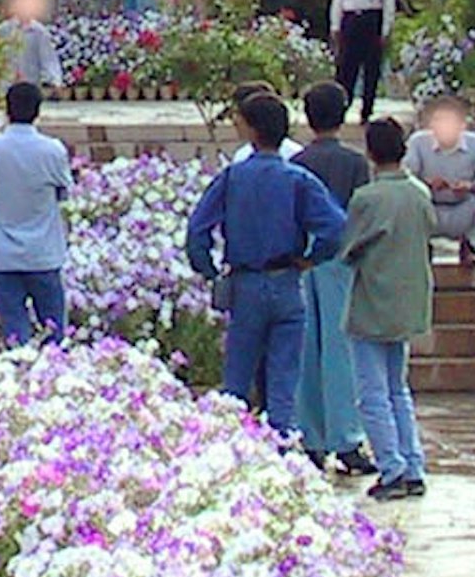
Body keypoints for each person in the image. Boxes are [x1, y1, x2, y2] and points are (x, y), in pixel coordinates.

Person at [183, 91, 344, 434]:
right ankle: (282, 445)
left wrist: (210, 272)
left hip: (245, 283)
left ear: (253, 130)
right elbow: (335, 228)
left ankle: (233, 448)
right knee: (284, 379)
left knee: (238, 378)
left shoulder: (233, 177)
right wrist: (311, 259)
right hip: (287, 280)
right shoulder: (298, 179)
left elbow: (197, 230)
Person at [336, 116, 435, 499]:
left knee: (372, 392)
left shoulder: (368, 198)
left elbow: (348, 249)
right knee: (398, 388)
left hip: (373, 301)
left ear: (371, 153)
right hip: (409, 299)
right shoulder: (419, 192)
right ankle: (412, 464)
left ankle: (390, 466)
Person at [290, 82, 374, 472]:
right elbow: (362, 213)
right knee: (340, 350)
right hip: (342, 258)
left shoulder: (298, 162)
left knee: (308, 347)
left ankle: (310, 436)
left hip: (304, 258)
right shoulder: (355, 163)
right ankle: (347, 438)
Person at [0, 79, 72, 343]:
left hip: (3, 254)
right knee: (53, 332)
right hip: (44, 254)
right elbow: (63, 192)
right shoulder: (53, 151)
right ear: (38, 111)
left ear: (7, 110)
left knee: (15, 335)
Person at [406, 97, 475, 264]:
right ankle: (421, 246)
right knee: (403, 201)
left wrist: (471, 186)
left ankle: (470, 244)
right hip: (429, 208)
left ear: (462, 126)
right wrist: (426, 184)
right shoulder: (418, 142)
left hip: (464, 207)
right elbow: (406, 176)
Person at [327, 0, 401, 123]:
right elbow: (338, 2)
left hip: (371, 22)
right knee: (345, 69)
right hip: (351, 22)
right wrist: (335, 26)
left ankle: (366, 111)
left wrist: (385, 30)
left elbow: (389, 5)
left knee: (371, 70)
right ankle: (341, 108)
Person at [0, 0, 61, 97]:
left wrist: (55, 80)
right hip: (6, 86)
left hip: (30, 86)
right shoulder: (3, 30)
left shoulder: (39, 32)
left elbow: (48, 58)